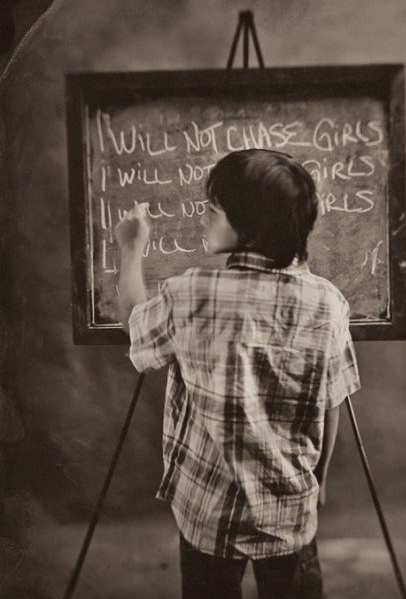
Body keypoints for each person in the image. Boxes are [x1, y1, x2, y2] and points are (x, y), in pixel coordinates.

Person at [115, 149, 360, 599]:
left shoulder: (190, 294)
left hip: (206, 508)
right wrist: (320, 478)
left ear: (250, 226)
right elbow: (332, 402)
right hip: (289, 509)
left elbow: (134, 322)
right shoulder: (328, 302)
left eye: (215, 209)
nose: (203, 216)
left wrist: (131, 249)